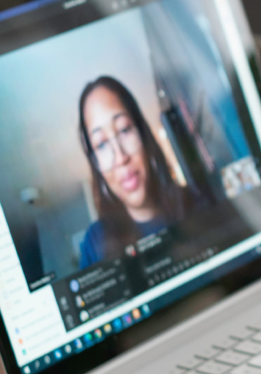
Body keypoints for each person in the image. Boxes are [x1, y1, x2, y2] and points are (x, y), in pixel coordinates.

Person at [76, 75, 191, 269]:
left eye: (124, 130)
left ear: (143, 134)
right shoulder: (95, 244)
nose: (120, 157)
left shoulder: (195, 201)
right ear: (96, 165)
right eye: (102, 144)